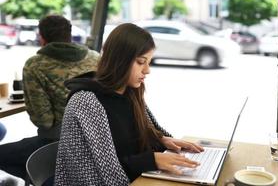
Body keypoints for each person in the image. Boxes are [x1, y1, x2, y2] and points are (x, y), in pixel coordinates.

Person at [55, 23, 204, 185]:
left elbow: (137, 137)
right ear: (120, 61)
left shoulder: (130, 91)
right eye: (141, 62)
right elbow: (107, 173)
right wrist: (151, 160)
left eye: (149, 62)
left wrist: (160, 140)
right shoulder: (86, 102)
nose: (147, 70)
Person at [0, 14, 99, 179]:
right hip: (96, 139)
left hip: (56, 142)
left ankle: (50, 178)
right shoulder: (95, 57)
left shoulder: (35, 65)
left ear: (42, 37)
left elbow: (44, 122)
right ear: (69, 34)